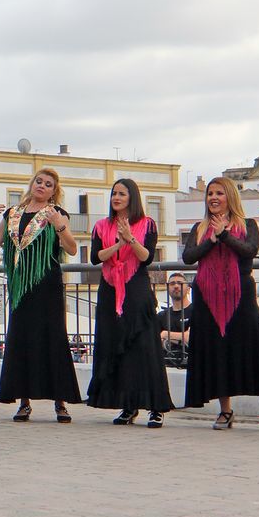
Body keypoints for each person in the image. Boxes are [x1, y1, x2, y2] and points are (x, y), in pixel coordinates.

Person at [0, 168, 81, 423]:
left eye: (48, 184)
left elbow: (71, 249)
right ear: (32, 183)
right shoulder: (13, 214)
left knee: (53, 339)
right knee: (21, 338)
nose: (42, 186)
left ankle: (60, 402)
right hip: (20, 287)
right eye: (39, 181)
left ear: (53, 191)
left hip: (46, 285)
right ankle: (24, 402)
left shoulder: (56, 214)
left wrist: (60, 227)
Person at [182, 176, 259, 431]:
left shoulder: (247, 224)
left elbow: (249, 251)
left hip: (240, 298)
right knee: (218, 352)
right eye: (210, 193)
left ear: (230, 198)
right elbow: (188, 257)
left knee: (253, 348)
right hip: (207, 298)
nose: (213, 198)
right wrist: (211, 240)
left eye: (219, 193)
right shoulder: (199, 228)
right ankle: (225, 411)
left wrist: (224, 234)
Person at [85, 179, 174, 427]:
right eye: (114, 193)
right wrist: (118, 243)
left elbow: (146, 258)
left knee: (144, 347)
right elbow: (95, 258)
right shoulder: (101, 226)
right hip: (109, 288)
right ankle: (128, 405)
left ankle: (155, 407)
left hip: (136, 290)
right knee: (117, 346)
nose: (116, 197)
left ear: (132, 197)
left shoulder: (147, 224)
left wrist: (131, 239)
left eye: (122, 193)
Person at [159, 273, 192, 368]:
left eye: (180, 283)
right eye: (172, 283)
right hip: (167, 367)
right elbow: (155, 341)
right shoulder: (161, 316)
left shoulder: (196, 311)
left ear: (188, 288)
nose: (176, 286)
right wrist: (180, 337)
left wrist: (165, 335)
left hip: (189, 366)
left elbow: (190, 338)